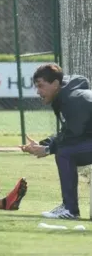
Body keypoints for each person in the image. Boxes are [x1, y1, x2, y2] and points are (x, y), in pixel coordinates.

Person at [21, 63, 92, 219]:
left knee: (64, 153)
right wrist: (46, 144)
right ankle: (68, 207)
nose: (38, 92)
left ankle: (70, 210)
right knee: (64, 150)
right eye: (36, 86)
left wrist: (47, 150)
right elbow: (68, 132)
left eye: (41, 86)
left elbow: (72, 136)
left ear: (55, 84)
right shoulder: (66, 94)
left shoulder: (73, 101)